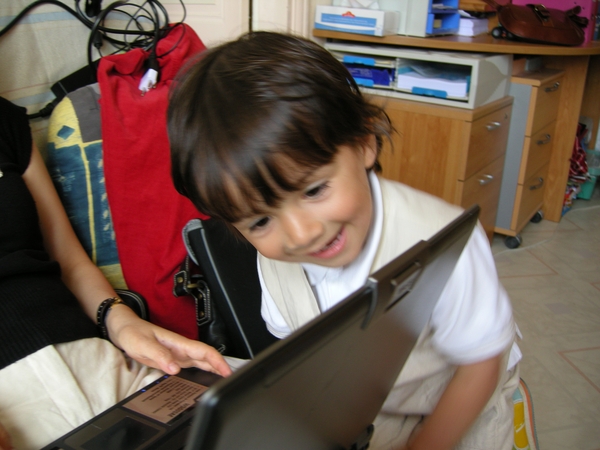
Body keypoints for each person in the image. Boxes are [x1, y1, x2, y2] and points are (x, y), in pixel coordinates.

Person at [167, 31, 522, 450]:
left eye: (314, 190)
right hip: (373, 406)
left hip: (460, 404)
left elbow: (481, 364)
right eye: (261, 220)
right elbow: (300, 353)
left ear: (364, 143)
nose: (302, 234)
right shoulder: (275, 262)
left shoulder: (444, 243)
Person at [0, 96, 231, 450]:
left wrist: (121, 322)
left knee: (263, 405)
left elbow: (68, 260)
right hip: (13, 411)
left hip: (102, 364)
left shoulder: (3, 120)